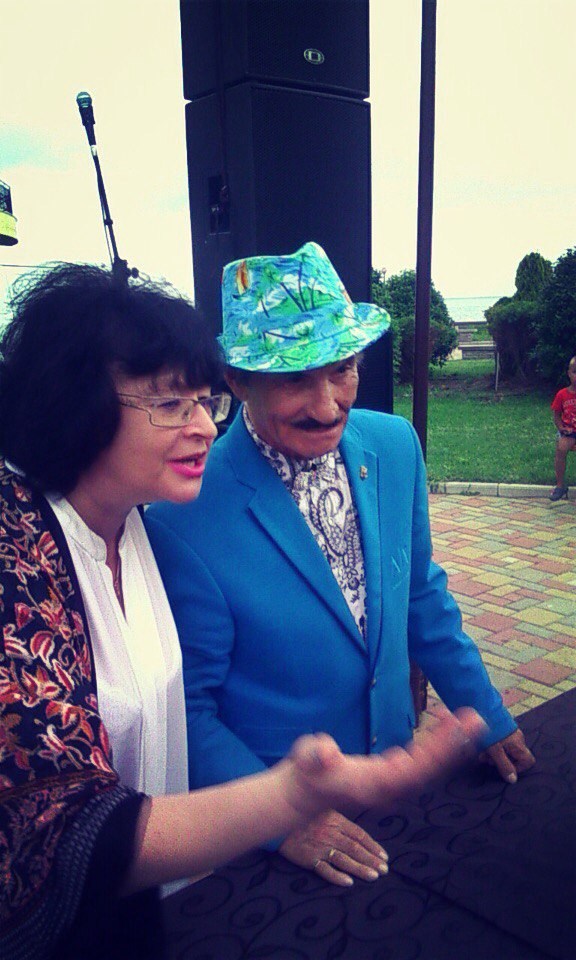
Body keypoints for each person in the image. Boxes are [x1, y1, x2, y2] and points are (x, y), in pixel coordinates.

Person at [0, 262, 487, 959]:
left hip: (171, 898)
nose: (204, 426)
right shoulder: (25, 554)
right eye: (172, 405)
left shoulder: (131, 524)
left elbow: (419, 591)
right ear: (75, 404)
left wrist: (481, 709)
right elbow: (62, 829)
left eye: (202, 401)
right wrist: (286, 800)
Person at [146, 241, 536, 887]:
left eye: (343, 370)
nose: (328, 405)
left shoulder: (393, 444)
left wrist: (485, 711)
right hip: (280, 826)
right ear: (237, 380)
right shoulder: (182, 514)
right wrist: (282, 821)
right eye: (295, 378)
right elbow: (187, 711)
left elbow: (421, 595)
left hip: (400, 784)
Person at [549, 354, 576, 501]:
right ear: (569, 373)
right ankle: (560, 486)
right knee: (561, 449)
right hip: (570, 431)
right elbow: (557, 415)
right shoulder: (562, 394)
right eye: (575, 372)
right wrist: (561, 428)